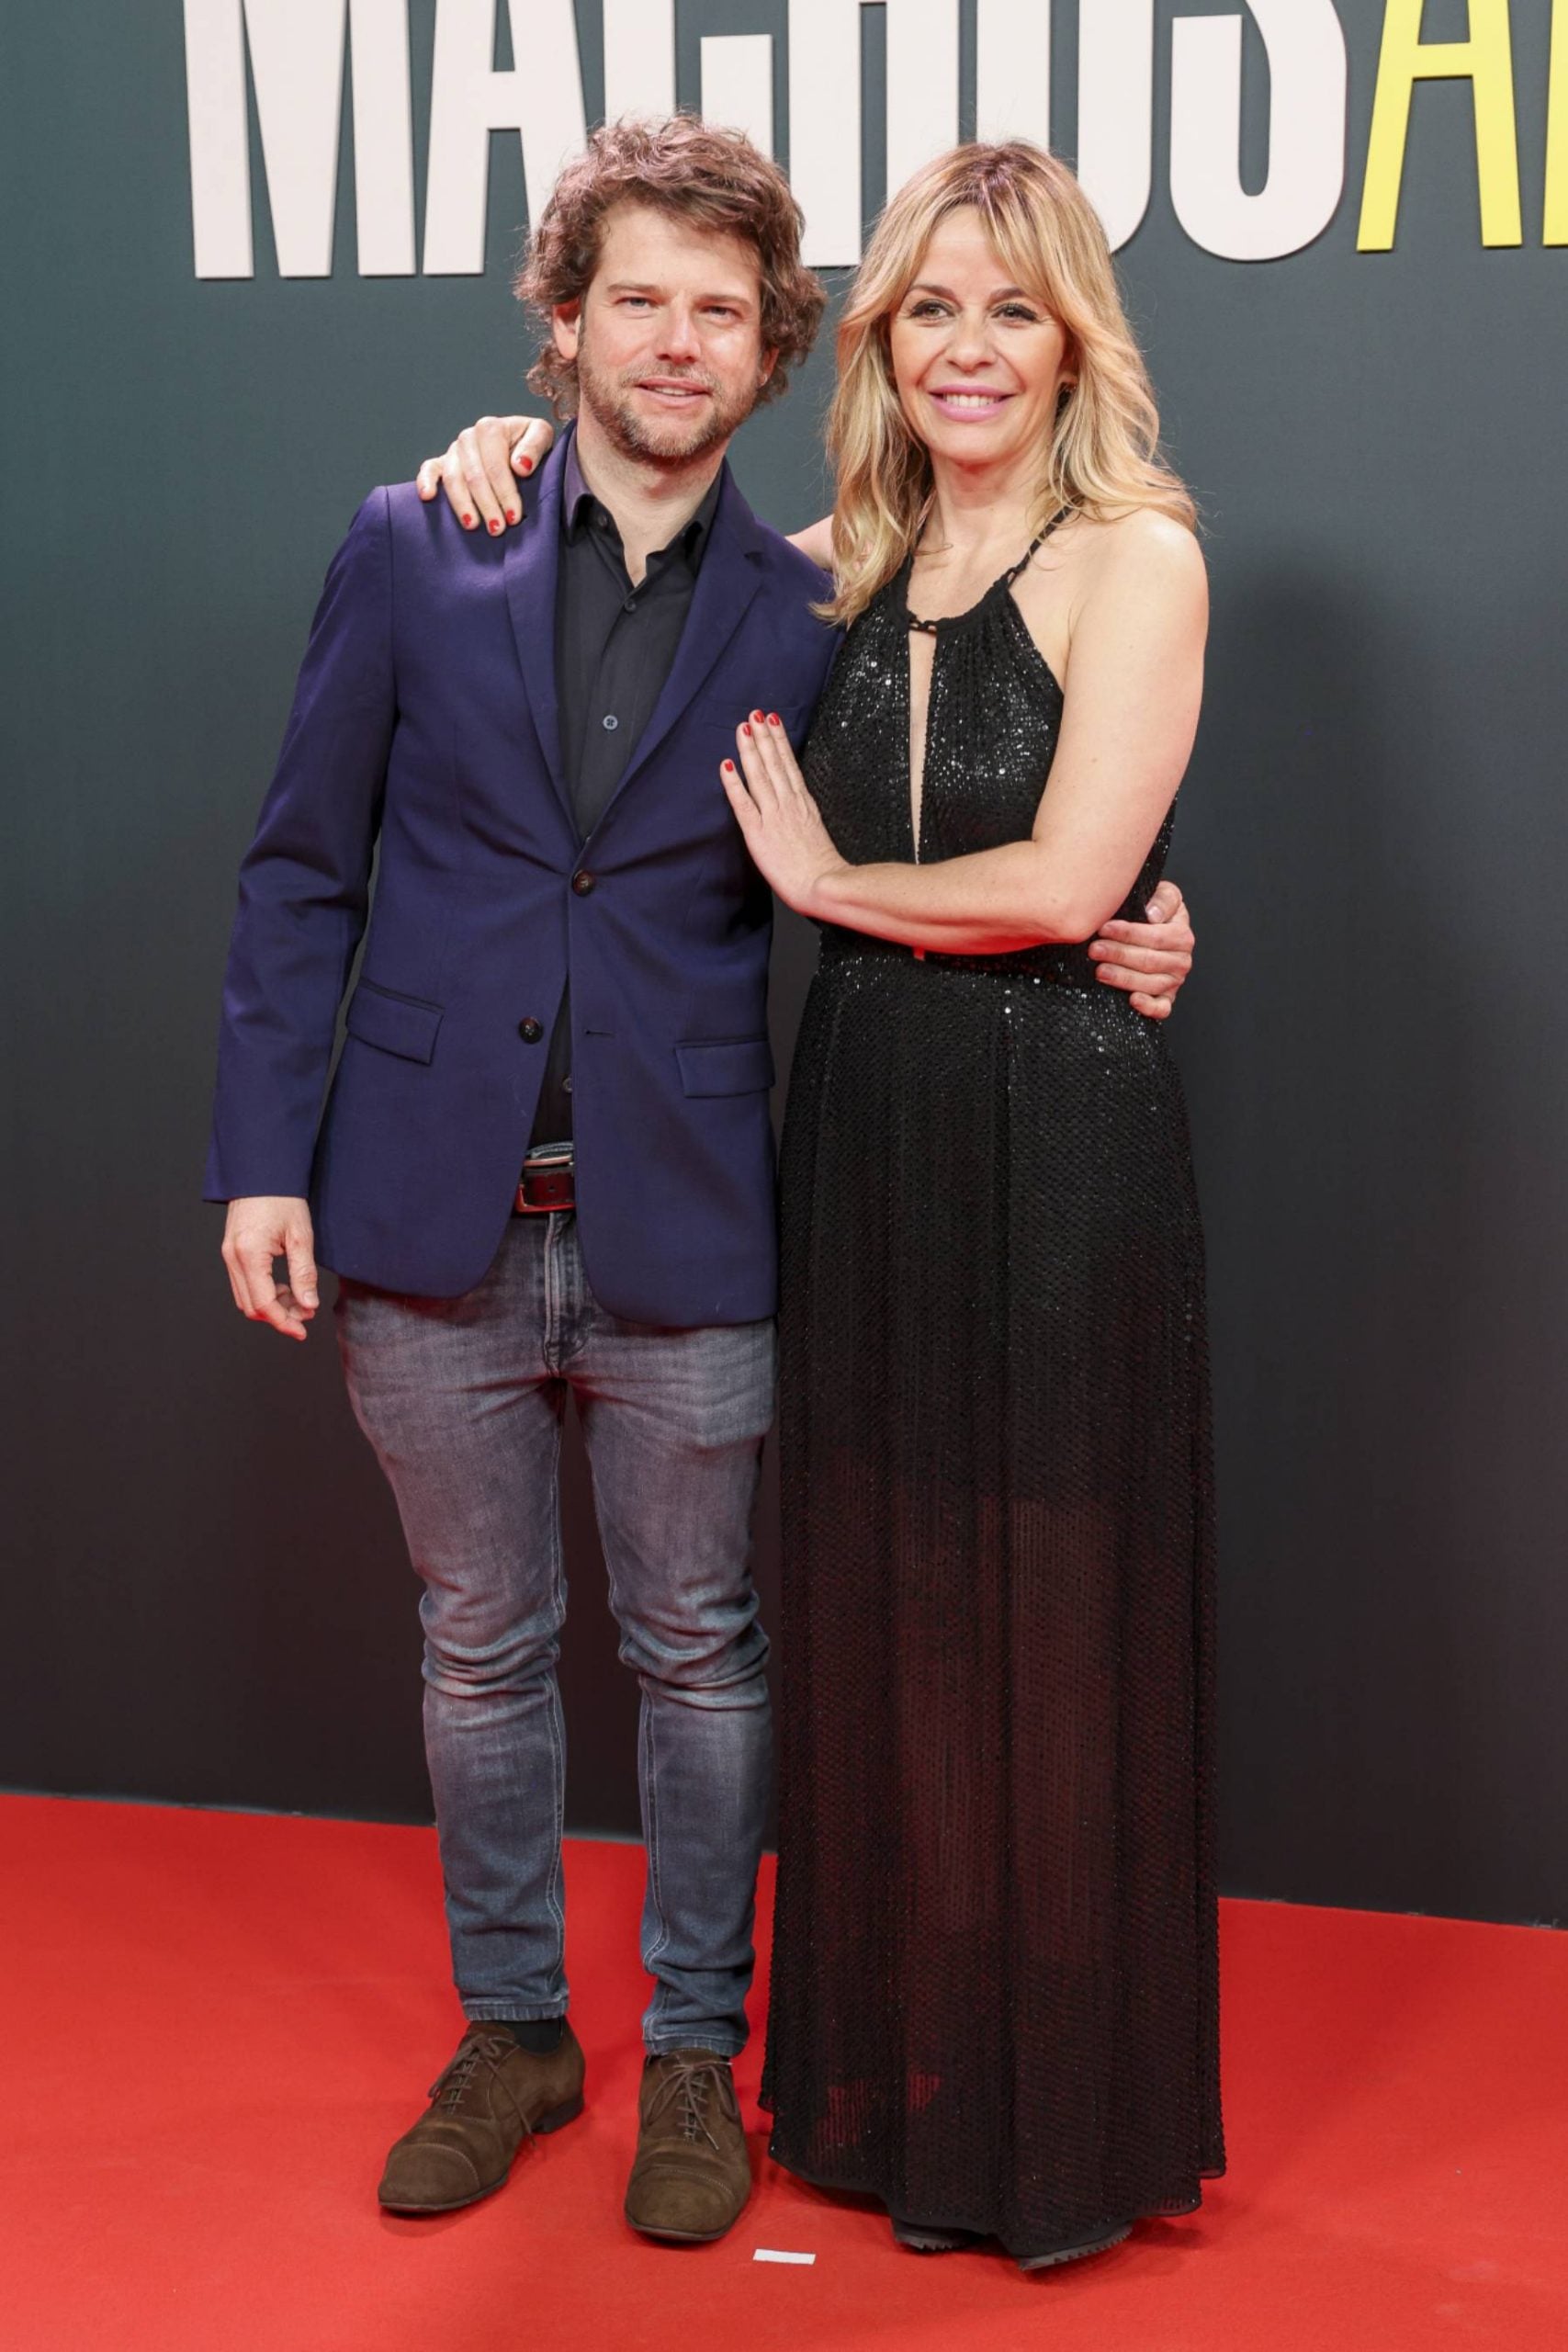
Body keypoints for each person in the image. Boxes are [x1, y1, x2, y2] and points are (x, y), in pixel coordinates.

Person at [210, 119, 1197, 2249]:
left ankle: (685, 2048)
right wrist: (253, 1165)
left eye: (718, 310)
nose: (674, 340)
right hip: (419, 1220)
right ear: (564, 324)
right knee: (480, 1651)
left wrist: (1140, 912)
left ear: (766, 357)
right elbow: (301, 869)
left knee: (704, 1649)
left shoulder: (818, 595)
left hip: (688, 1225)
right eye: (633, 298)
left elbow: (989, 800)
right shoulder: (415, 538)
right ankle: (508, 2031)